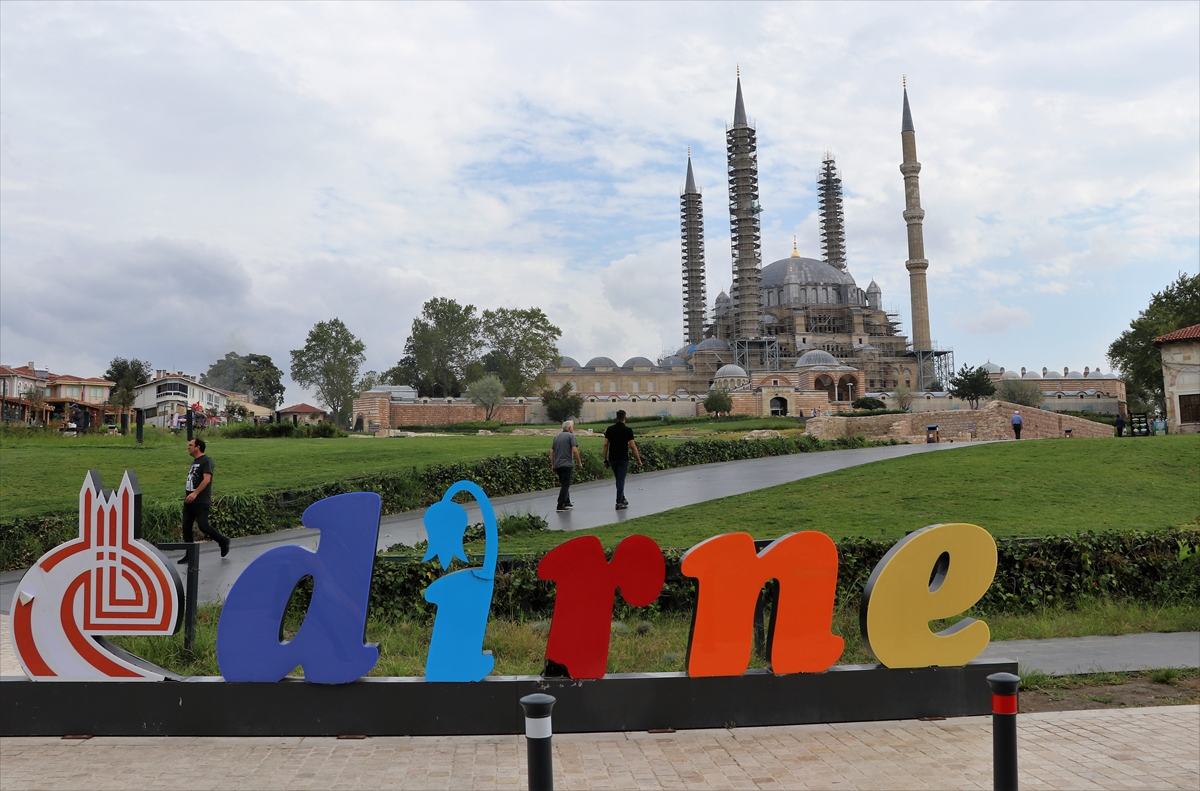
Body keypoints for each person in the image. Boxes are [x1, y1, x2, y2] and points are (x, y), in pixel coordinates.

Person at [183, 437, 230, 557]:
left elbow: (207, 479)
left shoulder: (206, 461)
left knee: (203, 526)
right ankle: (190, 555)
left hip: (200, 501)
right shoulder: (194, 461)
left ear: (198, 447)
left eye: (190, 445)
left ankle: (223, 541)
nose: (188, 447)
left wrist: (195, 493)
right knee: (186, 528)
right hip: (189, 501)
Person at [603, 410, 642, 510]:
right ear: (625, 418)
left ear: (616, 418)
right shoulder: (628, 430)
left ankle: (623, 498)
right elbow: (633, 446)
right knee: (621, 480)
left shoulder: (610, 429)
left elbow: (606, 444)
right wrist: (638, 459)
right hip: (623, 458)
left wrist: (605, 458)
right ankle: (619, 502)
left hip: (613, 458)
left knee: (618, 479)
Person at [550, 420, 583, 512]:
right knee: (565, 484)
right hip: (567, 464)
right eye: (572, 427)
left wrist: (553, 464)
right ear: (569, 428)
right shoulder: (571, 436)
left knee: (563, 483)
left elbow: (552, 451)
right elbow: (575, 450)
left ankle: (567, 502)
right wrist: (579, 462)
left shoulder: (556, 437)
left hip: (558, 464)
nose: (573, 429)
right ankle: (560, 504)